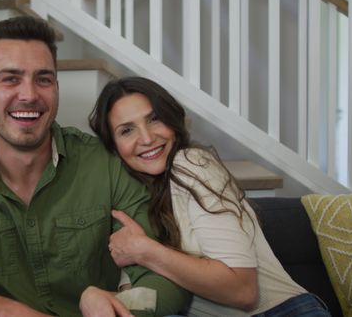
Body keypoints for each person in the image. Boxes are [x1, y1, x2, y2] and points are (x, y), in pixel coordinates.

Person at [0, 17, 190, 317]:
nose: (29, 95)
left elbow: (164, 281)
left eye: (43, 79)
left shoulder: (107, 164)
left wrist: (113, 306)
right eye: (10, 78)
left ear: (56, 88)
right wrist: (2, 311)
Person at [88, 76, 332, 317]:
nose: (147, 138)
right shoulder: (133, 198)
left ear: (172, 120)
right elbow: (146, 293)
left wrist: (145, 251)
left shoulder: (191, 164)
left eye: (154, 119)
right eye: (127, 130)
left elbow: (244, 292)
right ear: (113, 146)